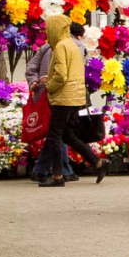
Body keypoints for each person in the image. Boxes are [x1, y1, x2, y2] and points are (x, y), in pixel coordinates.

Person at [39, 15, 107, 187]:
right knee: (68, 134)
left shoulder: (61, 46)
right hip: (75, 96)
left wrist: (49, 85)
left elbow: (61, 75)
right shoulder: (72, 45)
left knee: (54, 136)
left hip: (63, 97)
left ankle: (57, 176)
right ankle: (97, 162)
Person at [27, 23, 86, 182]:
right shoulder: (75, 46)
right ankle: (60, 170)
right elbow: (66, 74)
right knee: (58, 133)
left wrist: (33, 81)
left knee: (56, 133)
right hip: (62, 94)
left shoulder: (47, 46)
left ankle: (46, 170)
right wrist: (50, 84)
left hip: (47, 94)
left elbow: (31, 66)